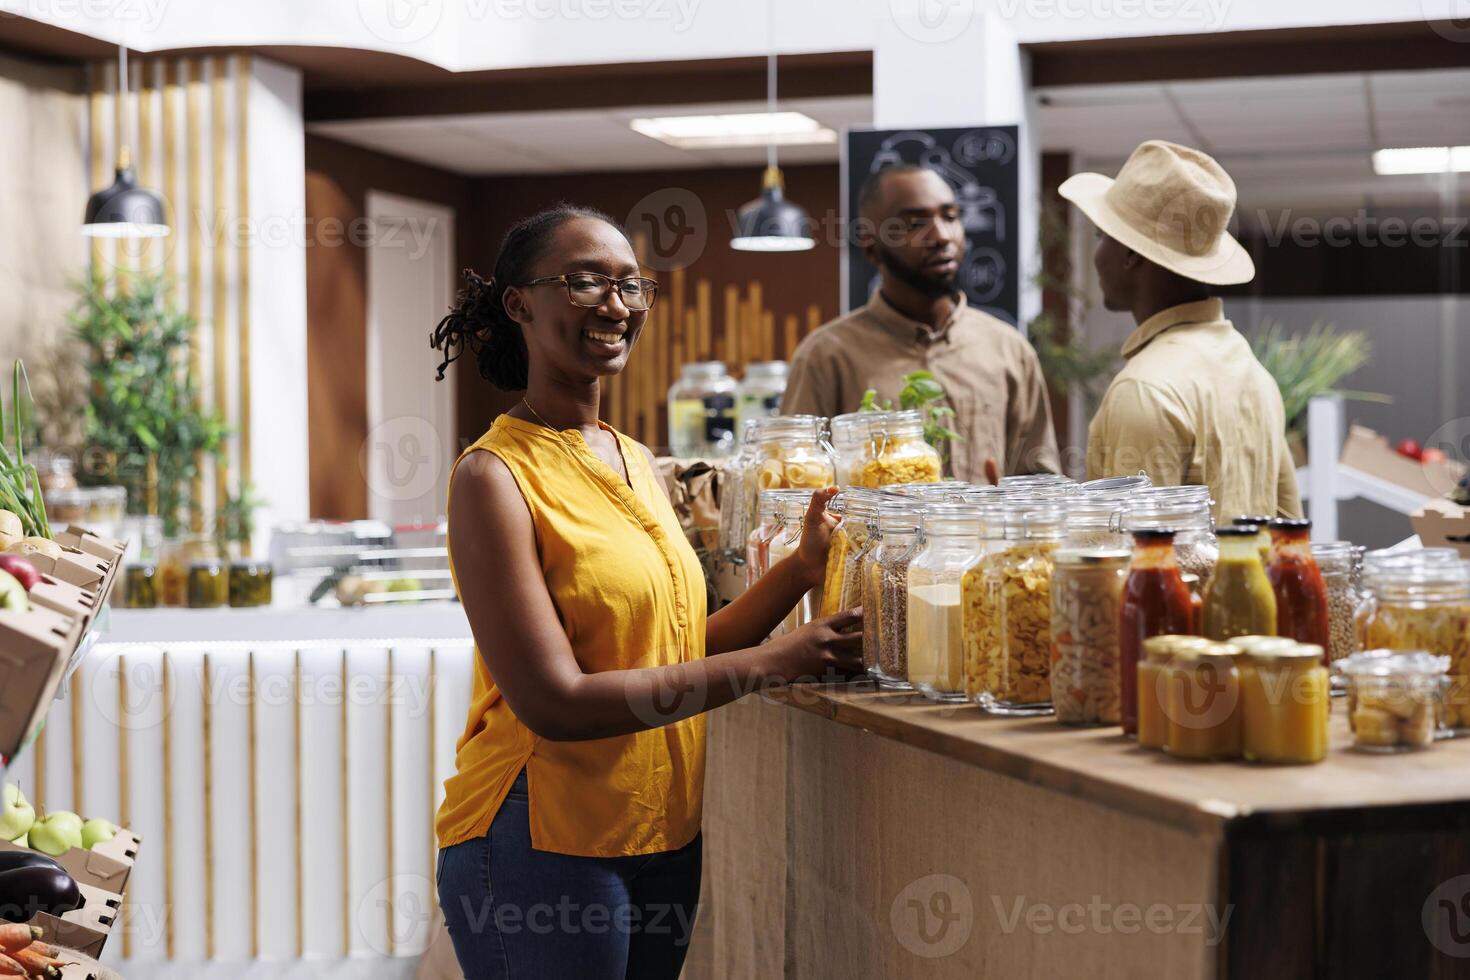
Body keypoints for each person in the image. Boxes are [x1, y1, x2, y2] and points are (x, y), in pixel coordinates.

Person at [428, 204, 862, 979]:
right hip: (541, 839)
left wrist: (795, 575)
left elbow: (674, 645)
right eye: (585, 281)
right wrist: (774, 664)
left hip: (661, 833)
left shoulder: (632, 457)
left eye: (631, 285)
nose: (617, 305)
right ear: (518, 304)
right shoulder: (493, 477)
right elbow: (555, 701)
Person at [1060, 140, 1303, 519]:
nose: (1096, 255)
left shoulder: (1145, 389)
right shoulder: (1253, 373)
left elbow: (1137, 565)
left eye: (1101, 236)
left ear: (1130, 255)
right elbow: (1290, 527)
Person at [782, 164, 1060, 482]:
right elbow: (796, 481)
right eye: (915, 223)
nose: (942, 236)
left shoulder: (1008, 349)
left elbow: (1040, 481)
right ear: (871, 245)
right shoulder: (827, 356)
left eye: (951, 217)